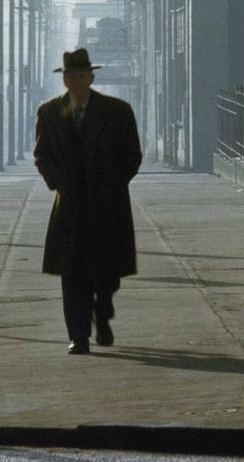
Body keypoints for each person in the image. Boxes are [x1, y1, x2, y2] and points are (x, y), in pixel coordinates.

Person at [34, 48, 142, 355]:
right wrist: (59, 182)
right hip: (70, 206)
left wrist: (113, 184)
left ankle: (102, 312)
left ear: (91, 78)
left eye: (82, 76)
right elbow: (42, 155)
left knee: (107, 273)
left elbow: (132, 155)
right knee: (72, 273)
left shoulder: (117, 111)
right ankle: (78, 335)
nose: (77, 81)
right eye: (71, 76)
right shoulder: (49, 113)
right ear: (65, 80)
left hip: (107, 205)